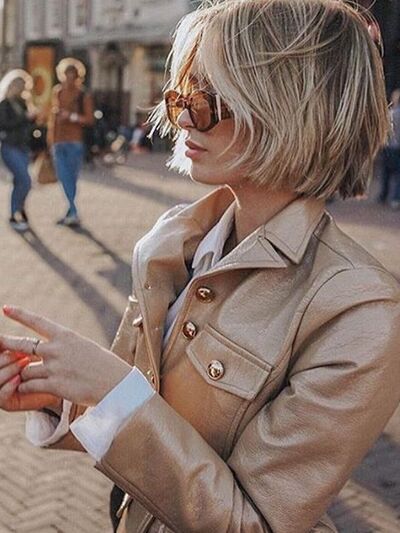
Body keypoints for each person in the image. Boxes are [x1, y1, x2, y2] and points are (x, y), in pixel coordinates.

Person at [0, 1, 400, 532]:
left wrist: (114, 389)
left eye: (209, 100)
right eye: (181, 95)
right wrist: (65, 396)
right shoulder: (175, 241)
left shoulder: (358, 310)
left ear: (288, 107)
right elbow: (151, 426)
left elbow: (256, 522)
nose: (184, 117)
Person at [47, 58, 94, 226]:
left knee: (71, 178)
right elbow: (53, 117)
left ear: (77, 76)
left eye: (72, 75)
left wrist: (71, 116)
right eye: (66, 74)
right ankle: (72, 211)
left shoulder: (83, 95)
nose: (69, 78)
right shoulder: (57, 91)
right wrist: (50, 139)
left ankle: (71, 211)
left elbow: (89, 119)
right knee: (63, 176)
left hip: (75, 140)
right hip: (58, 140)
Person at [0, 70, 36, 231]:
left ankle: (19, 210)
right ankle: (15, 213)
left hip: (23, 147)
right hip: (9, 146)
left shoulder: (23, 103)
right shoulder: (4, 104)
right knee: (25, 180)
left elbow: (26, 128)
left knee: (19, 181)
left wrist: (33, 119)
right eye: (21, 86)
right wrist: (24, 118)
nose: (23, 89)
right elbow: (4, 124)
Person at [378, 89, 400, 209]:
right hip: (396, 147)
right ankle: (396, 198)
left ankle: (383, 195)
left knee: (385, 173)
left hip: (387, 146)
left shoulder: (389, 113)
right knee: (398, 174)